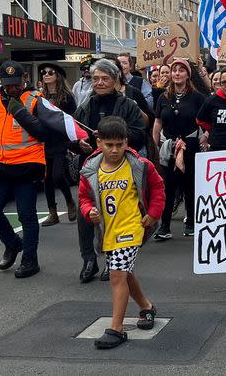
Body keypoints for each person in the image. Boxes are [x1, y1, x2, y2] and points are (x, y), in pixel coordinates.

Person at [0, 60, 69, 278]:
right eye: (7, 84)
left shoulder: (35, 100)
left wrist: (20, 113)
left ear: (25, 79)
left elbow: (45, 133)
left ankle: (30, 260)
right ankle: (13, 244)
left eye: (16, 84)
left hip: (27, 167)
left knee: (27, 216)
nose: (12, 88)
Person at [80, 117, 165, 350]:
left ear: (126, 142)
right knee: (125, 273)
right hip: (109, 230)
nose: (115, 150)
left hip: (131, 228)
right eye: (109, 145)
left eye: (120, 144)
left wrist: (154, 213)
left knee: (117, 275)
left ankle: (116, 329)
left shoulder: (139, 165)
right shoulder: (91, 170)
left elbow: (158, 188)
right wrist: (89, 212)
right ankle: (146, 307)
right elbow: (84, 198)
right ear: (99, 143)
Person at [73, 58, 147, 283]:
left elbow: (140, 134)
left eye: (105, 78)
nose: (100, 83)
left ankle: (111, 261)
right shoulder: (86, 105)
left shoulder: (128, 105)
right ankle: (88, 259)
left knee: (113, 215)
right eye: (95, 79)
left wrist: (113, 139)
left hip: (120, 167)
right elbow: (72, 133)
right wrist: (79, 144)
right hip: (92, 167)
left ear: (116, 80)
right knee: (86, 213)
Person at [151, 59, 206, 239]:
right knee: (167, 187)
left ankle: (191, 223)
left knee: (190, 186)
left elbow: (206, 121)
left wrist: (206, 136)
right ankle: (164, 226)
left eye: (181, 70)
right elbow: (158, 121)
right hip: (169, 147)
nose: (176, 73)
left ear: (188, 74)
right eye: (174, 70)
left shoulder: (197, 97)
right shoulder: (163, 97)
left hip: (190, 145)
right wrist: (155, 144)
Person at [38, 62, 79, 227]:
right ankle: (52, 212)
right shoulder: (40, 97)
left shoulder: (67, 97)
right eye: (44, 72)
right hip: (43, 141)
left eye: (50, 72)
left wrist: (73, 140)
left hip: (60, 141)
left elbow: (72, 119)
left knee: (57, 175)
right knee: (46, 178)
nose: (46, 75)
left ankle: (69, 200)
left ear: (58, 76)